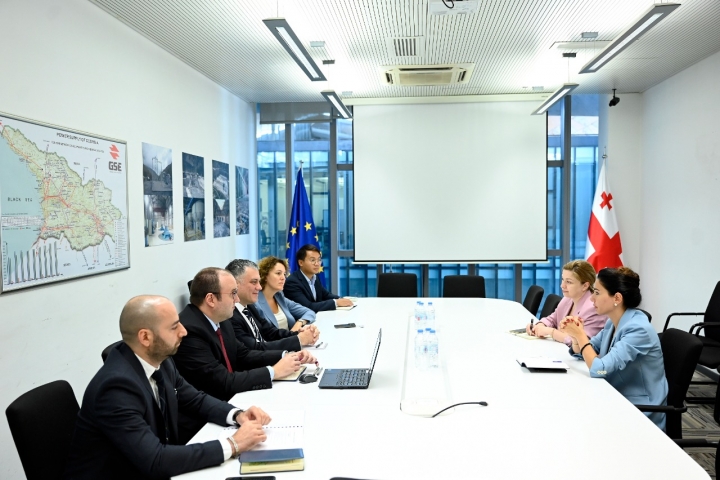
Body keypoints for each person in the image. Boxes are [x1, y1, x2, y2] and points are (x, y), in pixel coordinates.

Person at [63, 295, 271, 480]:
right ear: (145, 337)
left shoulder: (159, 359)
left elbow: (194, 399)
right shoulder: (115, 388)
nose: (184, 331)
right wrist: (233, 444)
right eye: (174, 327)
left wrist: (237, 415)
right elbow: (155, 460)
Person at [174, 268, 317, 440]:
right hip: (205, 422)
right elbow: (223, 382)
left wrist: (287, 356)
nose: (237, 299)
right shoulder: (190, 331)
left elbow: (243, 355)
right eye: (233, 293)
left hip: (232, 402)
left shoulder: (220, 318)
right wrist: (274, 372)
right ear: (211, 299)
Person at [560, 267, 668, 430]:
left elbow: (599, 369)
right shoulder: (612, 321)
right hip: (615, 394)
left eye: (597, 293)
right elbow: (589, 350)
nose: (591, 298)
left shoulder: (638, 330)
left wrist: (581, 336)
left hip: (639, 408)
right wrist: (576, 337)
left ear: (617, 298)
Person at [226, 258, 319, 350]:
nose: (259, 287)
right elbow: (254, 349)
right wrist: (298, 340)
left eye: (284, 274)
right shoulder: (229, 315)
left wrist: (300, 333)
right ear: (235, 284)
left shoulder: (249, 306)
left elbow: (271, 332)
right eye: (254, 282)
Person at [526, 260, 607, 345]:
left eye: (569, 282)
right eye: (563, 280)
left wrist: (551, 332)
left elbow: (581, 343)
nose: (562, 285)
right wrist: (539, 326)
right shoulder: (567, 299)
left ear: (585, 286)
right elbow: (552, 319)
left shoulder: (593, 308)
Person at [283, 244, 353, 312]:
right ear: (301, 262)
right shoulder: (292, 282)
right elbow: (308, 307)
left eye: (319, 260)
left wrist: (341, 299)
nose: (317, 264)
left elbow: (326, 295)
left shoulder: (315, 278)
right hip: (301, 319)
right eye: (312, 260)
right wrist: (336, 302)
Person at [256, 256, 318, 332]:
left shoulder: (279, 297)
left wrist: (300, 322)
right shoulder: (255, 302)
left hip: (292, 338)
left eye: (284, 274)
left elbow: (310, 312)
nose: (283, 278)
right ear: (265, 276)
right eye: (278, 273)